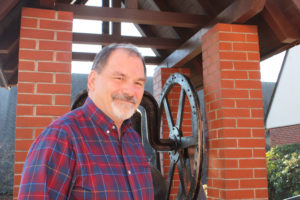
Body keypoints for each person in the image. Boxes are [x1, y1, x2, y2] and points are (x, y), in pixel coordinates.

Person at [18, 43, 154, 200]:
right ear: (92, 81)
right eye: (119, 78)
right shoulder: (61, 137)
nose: (130, 91)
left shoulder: (133, 139)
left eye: (138, 83)